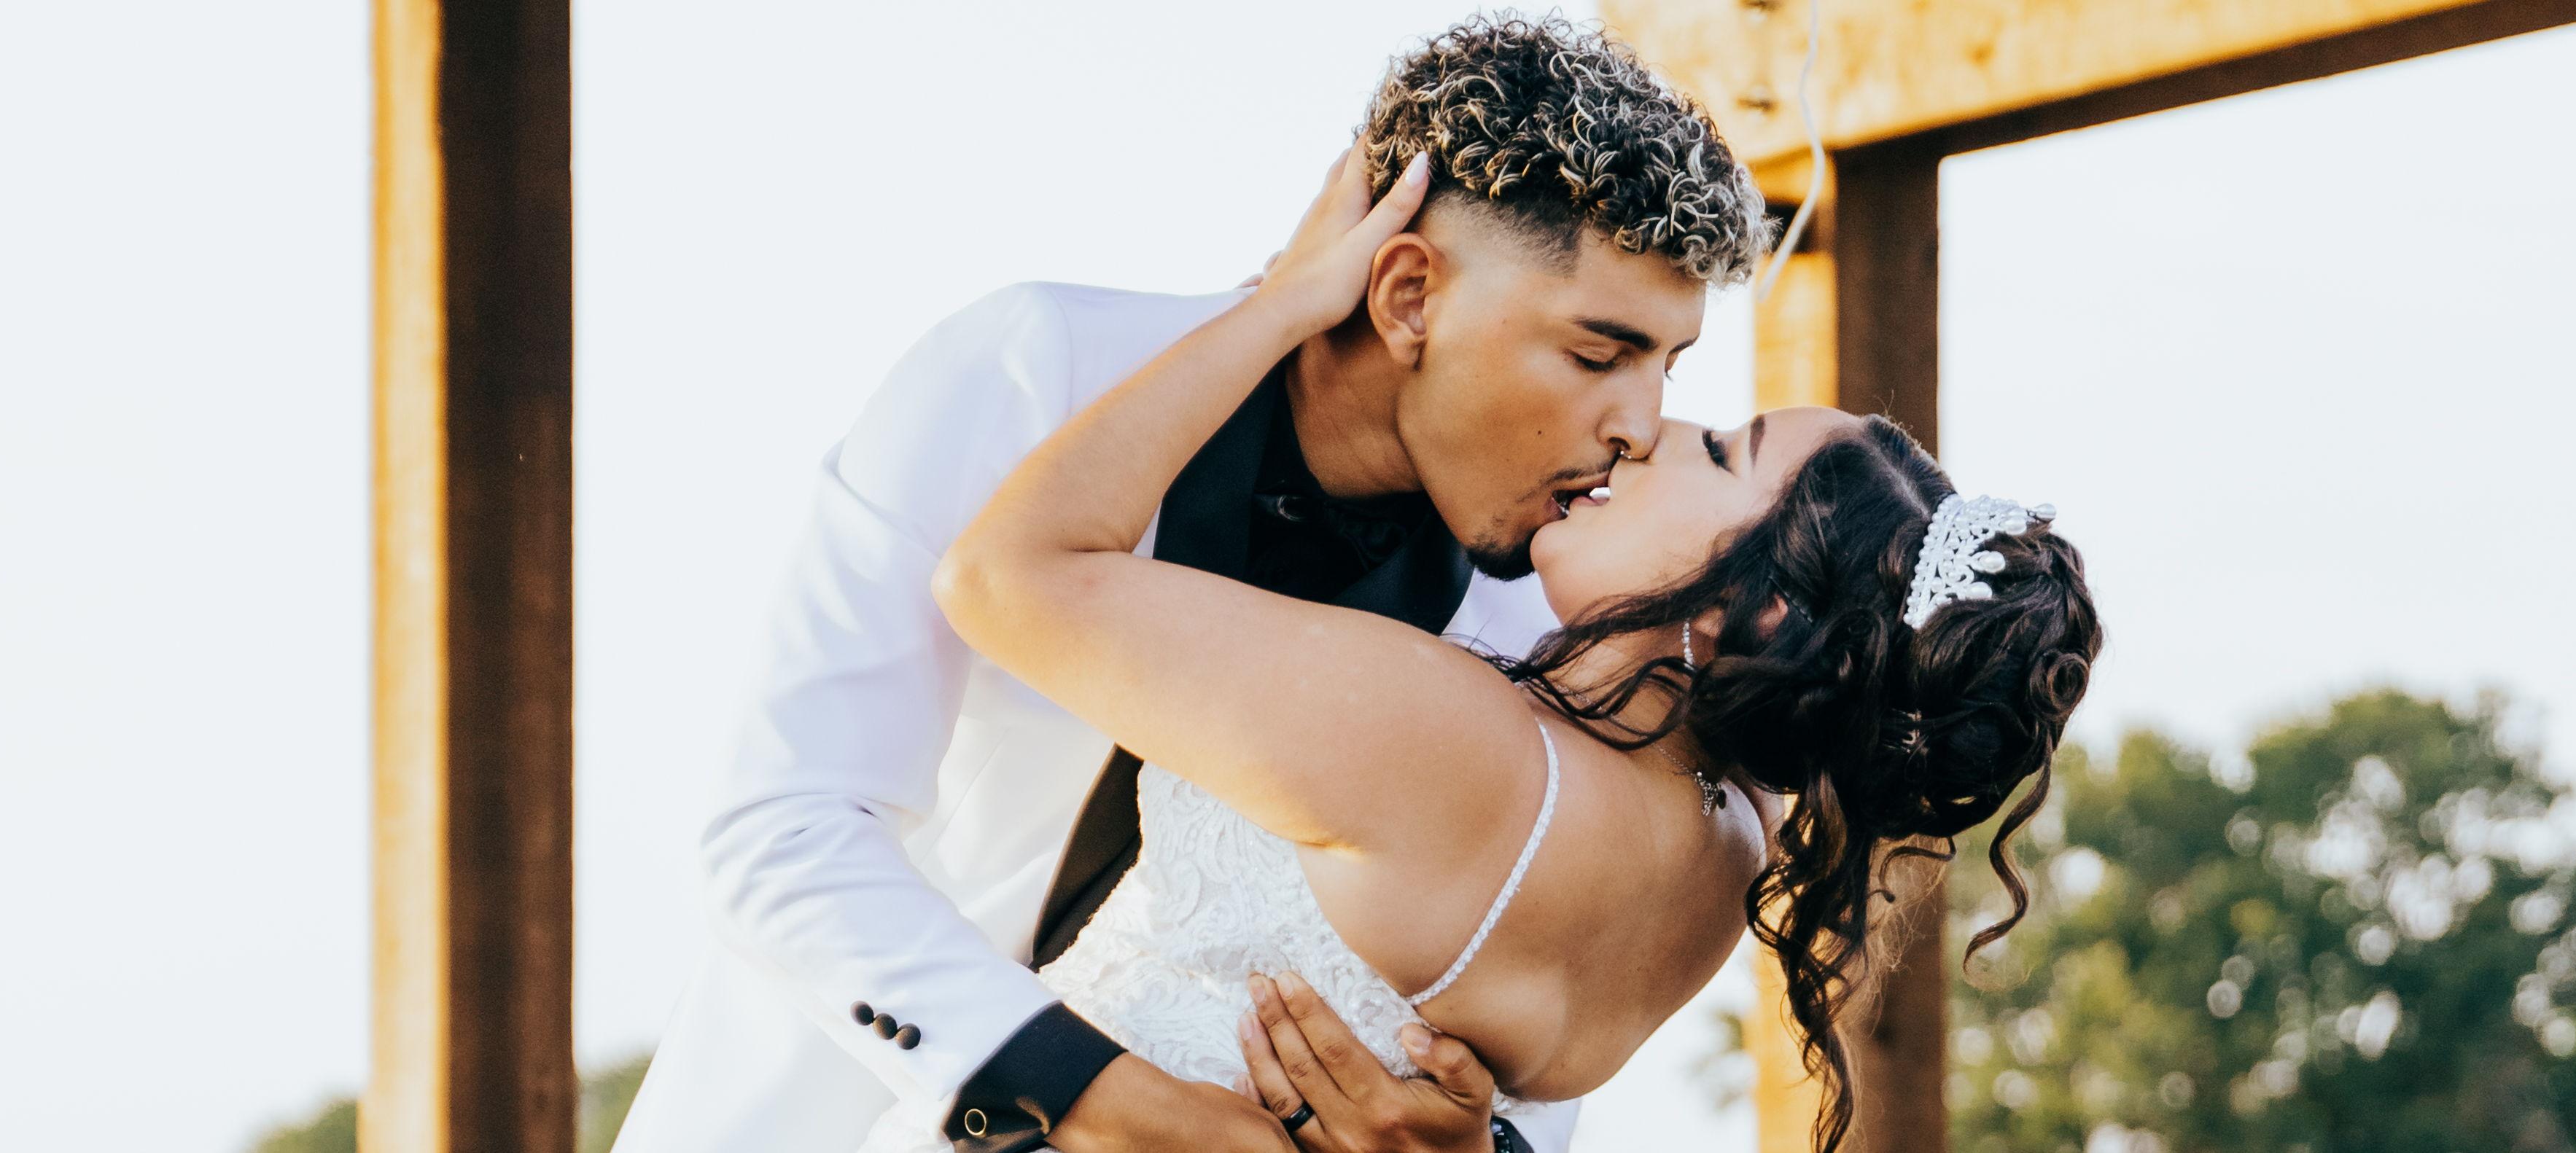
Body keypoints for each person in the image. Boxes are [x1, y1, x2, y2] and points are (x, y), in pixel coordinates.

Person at [612, 17, 1770, 1153]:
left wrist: (1486, 1147)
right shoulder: (1035, 372)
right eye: (1596, 354)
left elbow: (1531, 1002)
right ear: (1409, 294)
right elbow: (783, 824)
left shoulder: (1556, 621)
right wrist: (1104, 1100)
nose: (1641, 425)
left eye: (1668, 367)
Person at [908, 121, 2101, 1153]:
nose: (1651, 427)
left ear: (1768, 610)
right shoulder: (1732, 846)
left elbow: (1002, 576)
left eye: (1722, 449)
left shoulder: (1443, 738)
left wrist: (1277, 306)